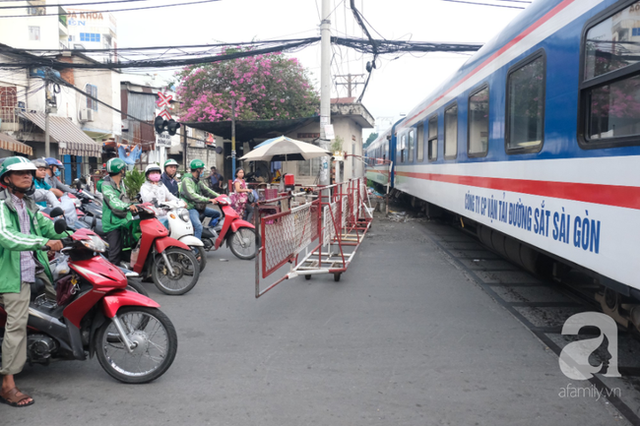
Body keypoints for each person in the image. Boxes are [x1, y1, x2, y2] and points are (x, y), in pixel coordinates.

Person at [0, 156, 64, 408]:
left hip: (34, 267)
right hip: (11, 274)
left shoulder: (27, 204)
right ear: (7, 179)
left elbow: (45, 225)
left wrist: (72, 232)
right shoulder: (3, 206)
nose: (28, 176)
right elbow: (6, 236)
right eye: (21, 174)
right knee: (17, 324)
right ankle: (7, 384)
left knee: (58, 297)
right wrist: (42, 242)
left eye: (29, 172)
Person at [100, 158, 138, 265]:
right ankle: (112, 277)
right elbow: (114, 202)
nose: (124, 170)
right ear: (120, 170)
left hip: (123, 221)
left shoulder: (121, 183)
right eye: (123, 169)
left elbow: (124, 199)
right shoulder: (106, 185)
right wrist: (128, 206)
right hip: (113, 224)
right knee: (115, 254)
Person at [179, 159, 220, 240]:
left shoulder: (197, 181)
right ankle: (196, 250)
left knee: (217, 214)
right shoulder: (187, 180)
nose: (203, 171)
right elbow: (192, 195)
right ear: (198, 170)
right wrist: (209, 200)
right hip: (190, 208)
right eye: (202, 169)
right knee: (198, 226)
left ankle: (207, 233)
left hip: (198, 206)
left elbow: (207, 190)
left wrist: (220, 196)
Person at [140, 164, 183, 228]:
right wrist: (154, 187)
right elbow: (147, 199)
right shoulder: (144, 187)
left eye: (157, 172)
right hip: (153, 216)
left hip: (165, 214)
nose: (155, 174)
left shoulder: (161, 185)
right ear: (147, 175)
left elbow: (169, 195)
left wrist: (179, 201)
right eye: (153, 173)